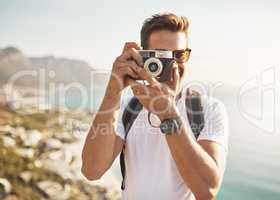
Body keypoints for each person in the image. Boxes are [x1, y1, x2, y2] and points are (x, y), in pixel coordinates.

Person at [81, 13, 229, 200]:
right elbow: (91, 170)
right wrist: (112, 93)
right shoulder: (128, 107)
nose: (173, 65)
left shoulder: (208, 110)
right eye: (162, 56)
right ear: (143, 58)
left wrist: (168, 114)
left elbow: (207, 191)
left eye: (180, 55)